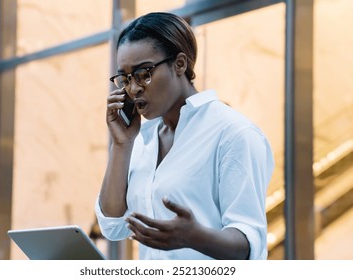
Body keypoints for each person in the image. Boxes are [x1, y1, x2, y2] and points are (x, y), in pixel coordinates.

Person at [95, 12, 274, 260]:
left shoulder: (233, 133)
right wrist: (121, 144)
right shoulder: (141, 138)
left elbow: (249, 244)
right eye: (125, 78)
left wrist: (193, 236)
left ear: (179, 64)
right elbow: (113, 227)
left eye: (143, 73)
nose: (133, 89)